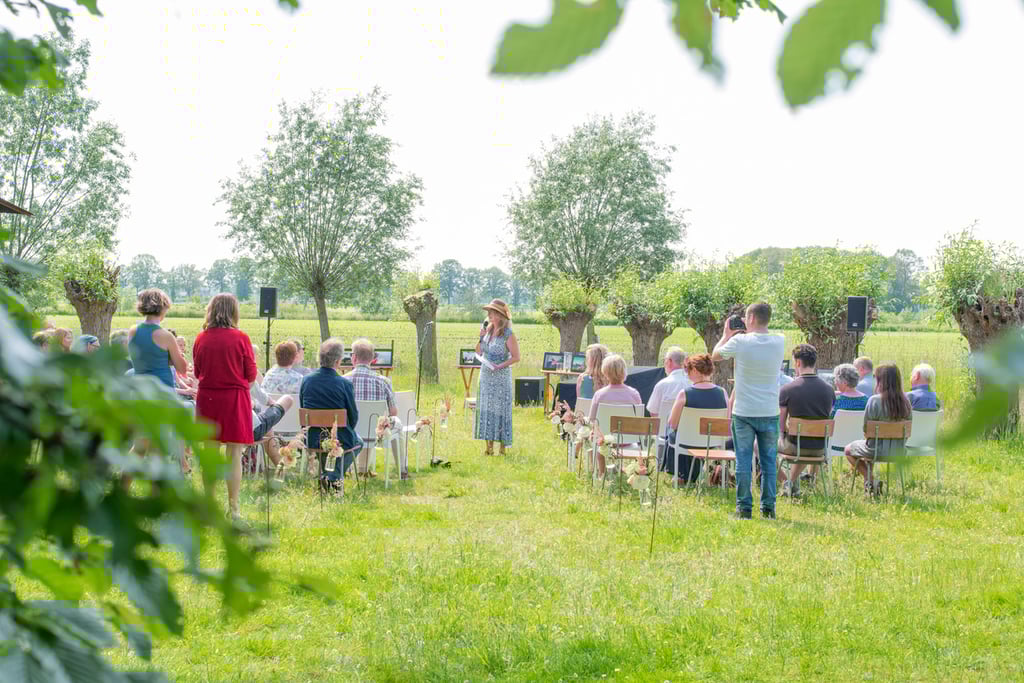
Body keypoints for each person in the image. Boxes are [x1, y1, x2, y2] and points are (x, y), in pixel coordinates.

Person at [712, 302, 785, 520]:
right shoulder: (780, 340)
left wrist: (726, 334)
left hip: (744, 411)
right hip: (770, 410)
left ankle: (744, 508)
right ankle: (768, 508)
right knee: (769, 461)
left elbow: (715, 355)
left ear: (751, 318)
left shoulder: (739, 341)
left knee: (743, 461)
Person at [193, 294, 257, 520]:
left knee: (210, 453)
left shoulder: (201, 337)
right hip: (234, 398)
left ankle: (209, 505)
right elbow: (251, 374)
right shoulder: (241, 338)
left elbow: (197, 371)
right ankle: (233, 508)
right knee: (234, 454)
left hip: (208, 397)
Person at [300, 338, 362, 489]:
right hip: (340, 437)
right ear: (338, 360)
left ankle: (328, 476)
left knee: (326, 445)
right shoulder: (344, 383)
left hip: (313, 436)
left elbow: (303, 408)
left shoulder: (306, 380)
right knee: (359, 442)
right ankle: (332, 477)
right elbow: (353, 416)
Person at [845, 364, 913, 497]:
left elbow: (866, 428)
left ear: (881, 381)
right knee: (869, 446)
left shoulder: (874, 401)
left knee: (848, 450)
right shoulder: (906, 402)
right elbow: (908, 430)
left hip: (874, 449)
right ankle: (870, 486)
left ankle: (870, 479)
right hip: (898, 450)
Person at [777, 344, 835, 498]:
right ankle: (791, 483)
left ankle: (785, 482)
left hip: (796, 446)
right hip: (820, 448)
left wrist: (781, 435)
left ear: (797, 363)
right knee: (804, 442)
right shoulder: (829, 389)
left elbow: (781, 424)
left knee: (759, 446)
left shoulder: (787, 389)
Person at [345, 337, 407, 480]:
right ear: (372, 359)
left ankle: (362, 469)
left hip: (351, 430)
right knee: (397, 423)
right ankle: (402, 469)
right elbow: (393, 412)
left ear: (353, 358)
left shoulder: (343, 380)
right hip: (377, 431)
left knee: (360, 426)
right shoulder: (383, 381)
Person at [663, 353, 728, 484]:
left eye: (688, 370)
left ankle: (681, 475)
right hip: (713, 442)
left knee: (671, 431)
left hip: (687, 440)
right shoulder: (723, 393)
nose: (687, 374)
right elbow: (726, 421)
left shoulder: (684, 394)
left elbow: (673, 424)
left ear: (695, 370)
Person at [474, 299, 520, 456]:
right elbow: (479, 352)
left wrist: (501, 366)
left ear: (500, 315)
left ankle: (501, 447)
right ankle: (488, 447)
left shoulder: (508, 334)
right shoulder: (487, 330)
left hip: (501, 377)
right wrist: (480, 337)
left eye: (492, 313)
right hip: (486, 375)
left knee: (500, 410)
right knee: (486, 408)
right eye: (489, 313)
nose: (489, 316)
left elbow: (516, 357)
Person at [588, 354, 643, 477]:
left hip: (604, 441)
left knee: (595, 435)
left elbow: (592, 419)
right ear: (624, 372)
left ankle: (601, 473)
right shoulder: (634, 394)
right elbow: (640, 420)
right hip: (629, 440)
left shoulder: (599, 395)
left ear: (605, 373)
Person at [128, 289, 188, 390]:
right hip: (162, 391)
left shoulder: (133, 331)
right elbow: (182, 369)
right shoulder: (166, 336)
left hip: (140, 389)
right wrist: (178, 356)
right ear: (163, 308)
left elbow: (144, 358)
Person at [647, 346, 691, 418]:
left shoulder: (662, 385)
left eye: (665, 360)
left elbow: (653, 413)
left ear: (669, 362)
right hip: (689, 428)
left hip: (664, 428)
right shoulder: (692, 384)